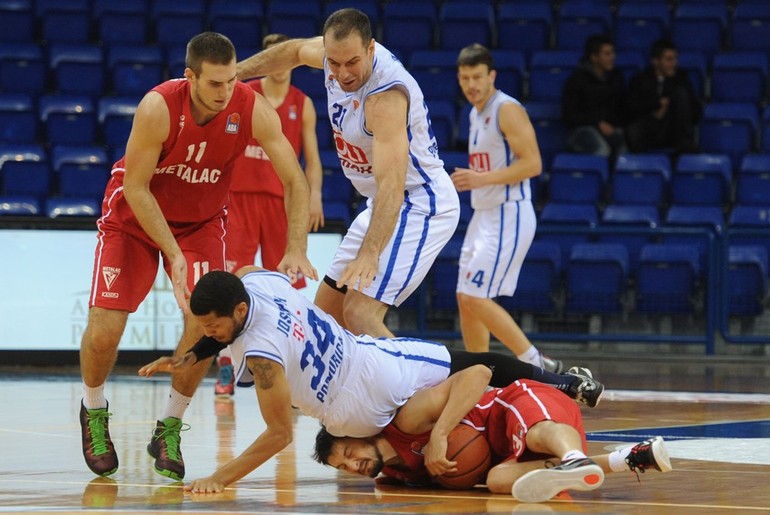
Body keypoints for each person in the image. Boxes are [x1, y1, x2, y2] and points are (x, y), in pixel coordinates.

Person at [78, 32, 318, 481]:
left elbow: (294, 179)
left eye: (231, 81)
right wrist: (173, 255)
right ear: (190, 78)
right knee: (106, 329)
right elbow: (136, 187)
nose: (226, 91)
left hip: (201, 223)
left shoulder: (249, 106)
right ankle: (93, 410)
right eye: (214, 84)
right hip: (133, 220)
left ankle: (169, 426)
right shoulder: (159, 107)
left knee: (204, 323)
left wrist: (297, 245)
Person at [138, 268, 604, 493]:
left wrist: (219, 479)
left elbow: (280, 434)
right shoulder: (259, 283)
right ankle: (564, 388)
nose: (208, 334)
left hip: (352, 411)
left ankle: (525, 429)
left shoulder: (262, 359)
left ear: (239, 311)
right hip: (372, 360)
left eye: (211, 327)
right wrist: (191, 354)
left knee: (462, 384)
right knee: (472, 364)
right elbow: (230, 326)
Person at [236, 8, 461, 338]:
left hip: (419, 203)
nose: (342, 73)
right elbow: (294, 50)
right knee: (324, 319)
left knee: (359, 313)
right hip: (380, 202)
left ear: (371, 48)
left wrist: (370, 254)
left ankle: (422, 389)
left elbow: (392, 186)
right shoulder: (335, 58)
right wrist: (236, 74)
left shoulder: (384, 98)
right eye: (334, 62)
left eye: (352, 62)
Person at [315, 379, 671, 502]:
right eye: (342, 468)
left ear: (358, 434)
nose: (351, 466)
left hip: (511, 404)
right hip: (510, 454)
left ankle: (574, 456)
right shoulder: (396, 478)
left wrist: (440, 434)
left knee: (532, 429)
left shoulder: (405, 420)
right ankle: (627, 459)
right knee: (500, 481)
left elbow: (478, 373)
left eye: (348, 452)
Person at [215, 33, 326, 396]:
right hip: (241, 197)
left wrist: (316, 197)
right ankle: (226, 366)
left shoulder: (303, 104)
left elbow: (312, 158)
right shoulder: (245, 95)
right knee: (232, 281)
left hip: (280, 200)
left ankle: (294, 369)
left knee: (289, 283)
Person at [450, 43, 561, 373]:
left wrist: (481, 179)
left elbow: (534, 164)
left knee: (474, 297)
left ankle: (537, 364)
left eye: (477, 77)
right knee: (464, 298)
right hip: (484, 214)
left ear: (492, 76)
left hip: (507, 212)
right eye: (465, 78)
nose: (471, 84)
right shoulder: (474, 113)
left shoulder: (506, 109)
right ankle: (479, 375)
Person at [625, 39, 701, 155]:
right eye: (669, 59)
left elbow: (695, 110)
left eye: (675, 59)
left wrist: (670, 104)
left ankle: (685, 151)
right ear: (656, 61)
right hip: (650, 126)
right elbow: (631, 108)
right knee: (633, 130)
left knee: (681, 94)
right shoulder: (639, 81)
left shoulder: (681, 80)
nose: (674, 63)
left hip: (673, 128)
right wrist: (658, 104)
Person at [562, 34, 627, 159]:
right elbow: (569, 114)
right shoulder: (576, 80)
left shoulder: (616, 78)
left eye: (612, 53)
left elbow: (622, 107)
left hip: (610, 129)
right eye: (607, 54)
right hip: (581, 130)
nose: (612, 57)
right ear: (594, 57)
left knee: (626, 150)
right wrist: (597, 122)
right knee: (601, 150)